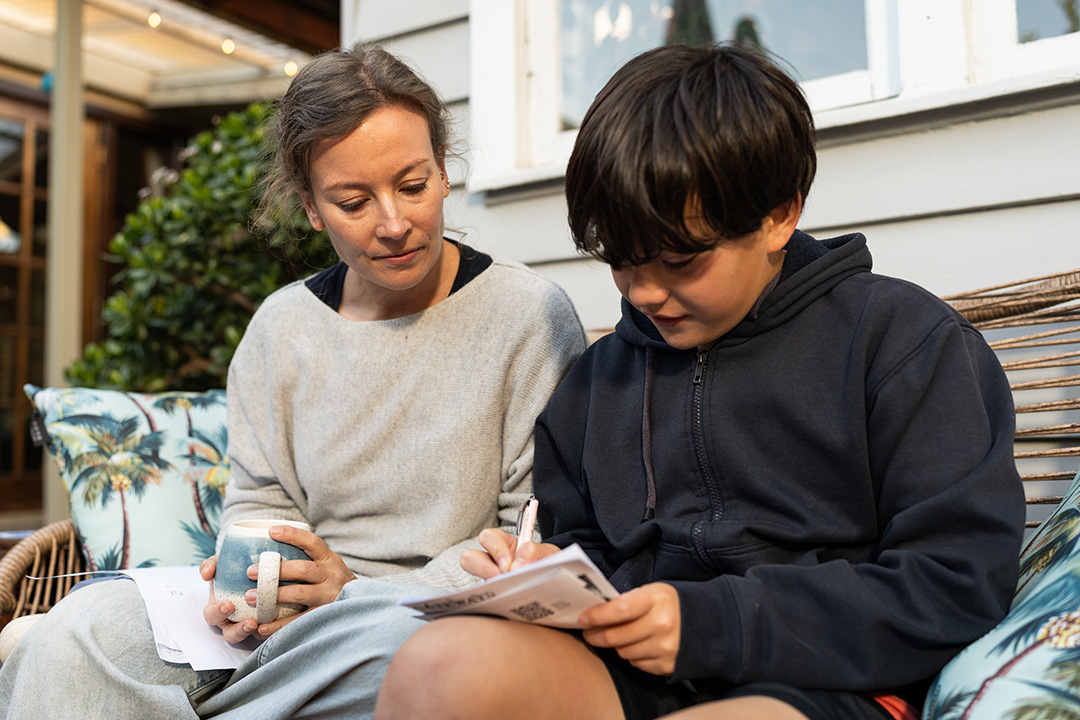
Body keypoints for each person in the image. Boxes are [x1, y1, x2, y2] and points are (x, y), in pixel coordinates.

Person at [374, 42, 1026, 720]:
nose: (646, 293)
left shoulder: (900, 342)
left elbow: (957, 584)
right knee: (436, 667)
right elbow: (583, 550)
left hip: (824, 684)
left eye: (681, 261)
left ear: (778, 216)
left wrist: (715, 623)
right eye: (622, 263)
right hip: (634, 673)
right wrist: (536, 577)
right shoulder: (598, 382)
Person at [0, 43, 586, 719]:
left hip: (416, 615)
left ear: (445, 173)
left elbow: (530, 539)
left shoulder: (530, 318)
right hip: (278, 628)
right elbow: (259, 504)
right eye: (353, 201)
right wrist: (250, 585)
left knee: (415, 651)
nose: (394, 223)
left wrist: (353, 591)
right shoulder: (281, 329)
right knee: (83, 625)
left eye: (414, 186)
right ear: (311, 209)